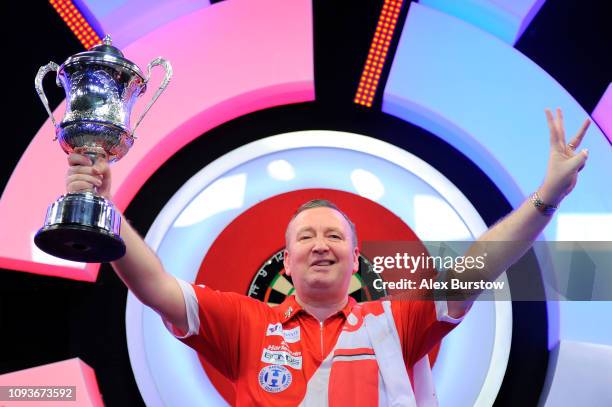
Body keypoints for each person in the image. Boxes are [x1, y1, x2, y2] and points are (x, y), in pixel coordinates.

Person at [66, 109, 590, 406]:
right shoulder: (246, 322)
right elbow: (153, 284)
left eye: (334, 236)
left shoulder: (397, 321)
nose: (321, 244)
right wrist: (102, 211)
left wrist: (546, 198)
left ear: (356, 257)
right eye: (306, 237)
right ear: (286, 262)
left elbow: (478, 266)